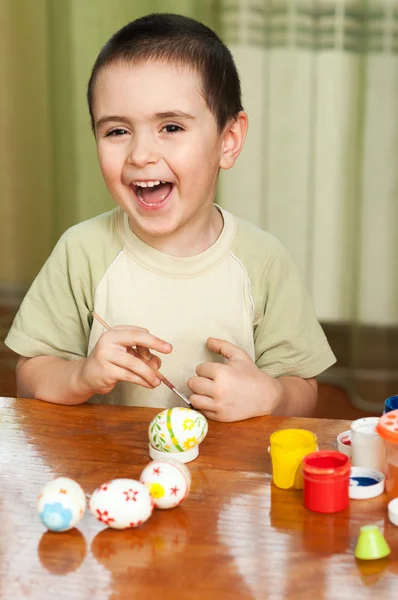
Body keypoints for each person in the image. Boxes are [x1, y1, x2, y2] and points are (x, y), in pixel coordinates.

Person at [5, 13, 336, 422]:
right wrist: (82, 375)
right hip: (114, 474)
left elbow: (301, 387)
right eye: (117, 132)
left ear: (228, 141)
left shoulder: (265, 260)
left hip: (228, 477)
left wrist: (270, 396)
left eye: (172, 126)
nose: (141, 155)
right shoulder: (81, 251)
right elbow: (29, 376)